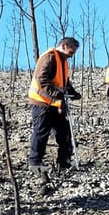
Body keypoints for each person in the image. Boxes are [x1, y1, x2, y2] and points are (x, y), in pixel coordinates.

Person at [27, 37, 81, 183]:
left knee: (64, 132)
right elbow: (41, 79)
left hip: (54, 102)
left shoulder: (63, 61)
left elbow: (63, 81)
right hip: (41, 101)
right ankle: (35, 162)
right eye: (71, 51)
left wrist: (72, 92)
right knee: (41, 132)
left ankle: (64, 161)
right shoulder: (49, 57)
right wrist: (57, 93)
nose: (72, 55)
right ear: (63, 45)